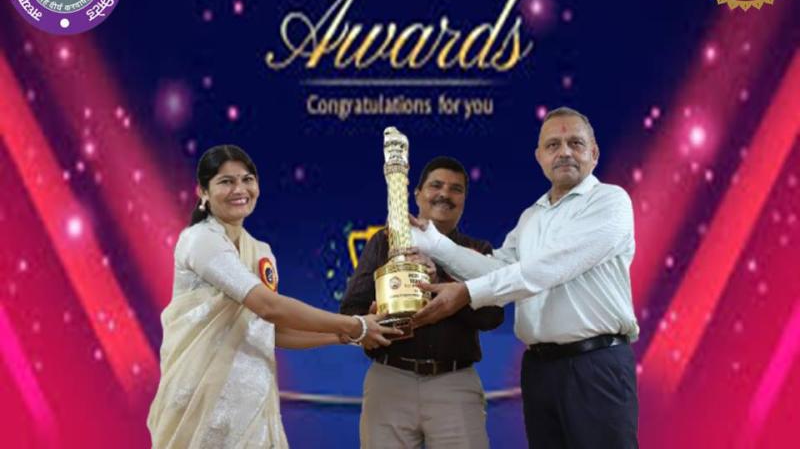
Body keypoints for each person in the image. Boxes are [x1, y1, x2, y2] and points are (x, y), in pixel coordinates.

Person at [410, 108, 639, 449]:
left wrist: (467, 293)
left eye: (575, 143)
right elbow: (497, 269)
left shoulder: (610, 201)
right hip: (539, 369)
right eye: (553, 145)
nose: (564, 152)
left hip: (596, 365)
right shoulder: (531, 217)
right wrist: (434, 243)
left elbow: (548, 269)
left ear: (594, 153)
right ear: (539, 157)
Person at [147, 145, 400, 448]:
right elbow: (268, 307)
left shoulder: (260, 251)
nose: (239, 189)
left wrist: (345, 336)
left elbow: (271, 330)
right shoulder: (200, 240)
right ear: (203, 191)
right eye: (226, 181)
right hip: (202, 403)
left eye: (247, 179)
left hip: (250, 406)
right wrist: (355, 325)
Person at [341, 156, 504, 449]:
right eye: (436, 185)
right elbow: (351, 310)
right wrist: (372, 320)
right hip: (390, 380)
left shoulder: (478, 250)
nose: (445, 194)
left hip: (454, 383)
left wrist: (440, 276)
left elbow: (492, 316)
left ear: (464, 200)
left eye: (456, 189)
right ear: (417, 194)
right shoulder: (384, 241)